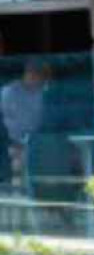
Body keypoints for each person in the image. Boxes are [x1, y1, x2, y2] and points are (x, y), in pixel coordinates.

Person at [1, 58, 50, 192]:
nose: (34, 76)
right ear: (25, 73)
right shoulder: (8, 92)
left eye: (39, 74)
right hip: (13, 143)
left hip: (39, 143)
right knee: (18, 172)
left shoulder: (44, 94)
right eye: (31, 72)